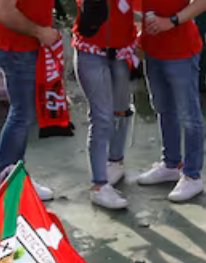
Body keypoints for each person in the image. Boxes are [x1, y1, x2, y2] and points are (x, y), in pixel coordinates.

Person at [133, 0, 206, 204]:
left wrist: (172, 21)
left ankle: (192, 176)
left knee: (189, 116)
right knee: (163, 109)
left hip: (181, 52)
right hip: (153, 50)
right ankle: (171, 165)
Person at [0, 0, 60, 198]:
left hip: (25, 47)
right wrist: (40, 32)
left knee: (24, 114)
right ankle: (1, 184)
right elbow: (3, 11)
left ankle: (15, 177)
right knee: (22, 115)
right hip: (18, 49)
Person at [73, 0, 136, 210]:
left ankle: (115, 161)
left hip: (122, 51)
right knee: (101, 118)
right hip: (90, 50)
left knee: (121, 109)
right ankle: (99, 185)